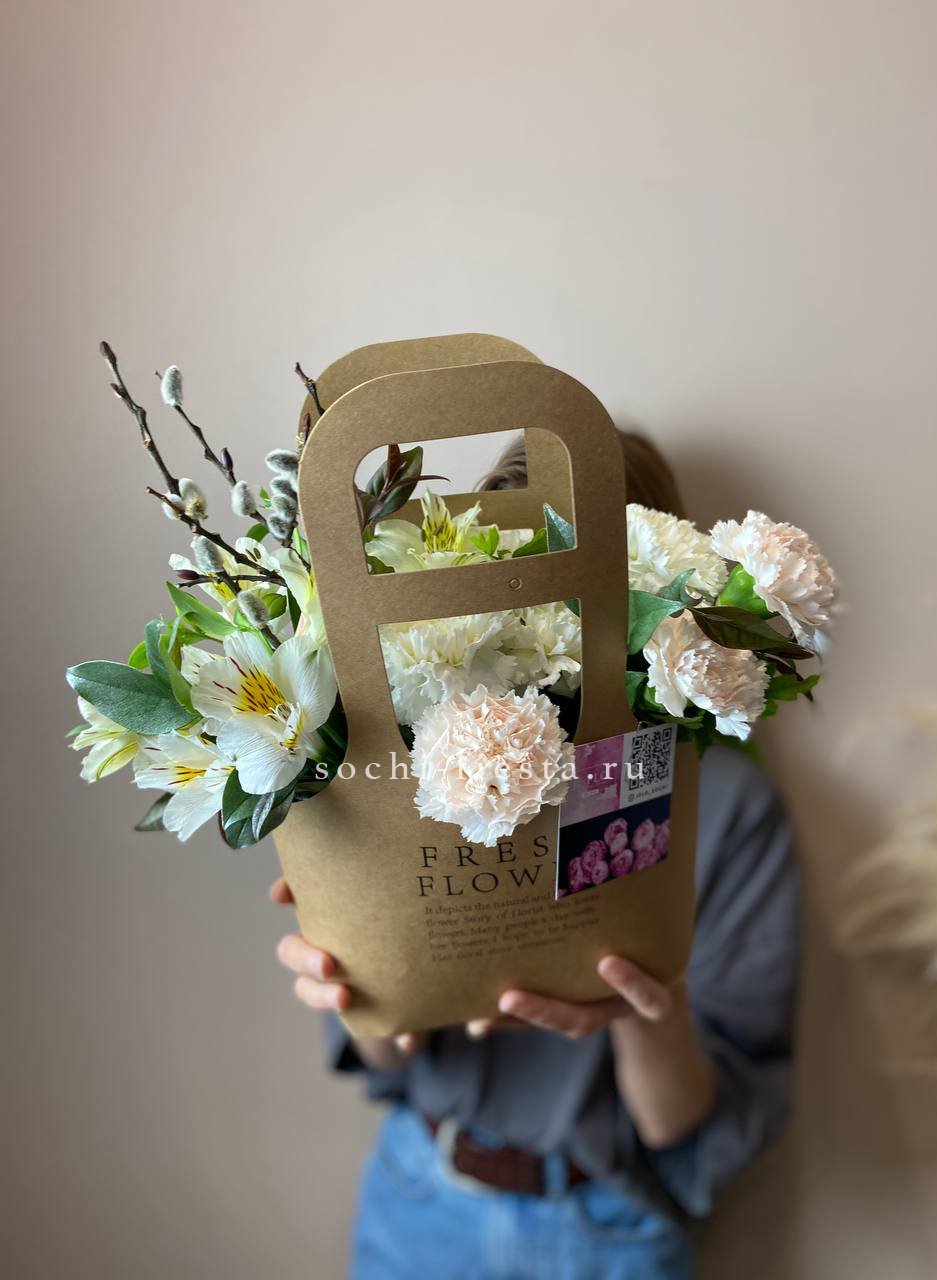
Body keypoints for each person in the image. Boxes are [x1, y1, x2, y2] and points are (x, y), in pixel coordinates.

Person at [271, 432, 799, 1280]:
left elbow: (689, 1130)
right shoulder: (413, 768)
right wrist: (350, 967)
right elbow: (387, 1059)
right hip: (419, 1200)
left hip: (607, 1224)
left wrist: (648, 1001)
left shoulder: (728, 809)